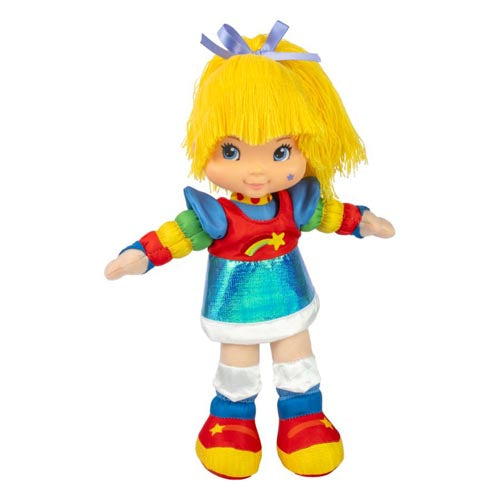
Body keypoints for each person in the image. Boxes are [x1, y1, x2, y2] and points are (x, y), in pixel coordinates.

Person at [105, 21, 395, 479]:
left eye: (280, 153)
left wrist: (365, 222)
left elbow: (330, 214)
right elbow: (178, 234)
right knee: (237, 364)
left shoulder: (295, 204)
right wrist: (139, 255)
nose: (257, 172)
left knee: (297, 356)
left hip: (288, 296)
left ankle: (303, 418)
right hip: (235, 302)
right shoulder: (216, 215)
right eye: (232, 152)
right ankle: (231, 421)